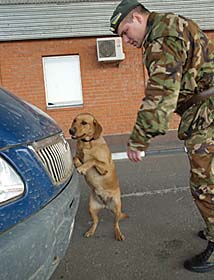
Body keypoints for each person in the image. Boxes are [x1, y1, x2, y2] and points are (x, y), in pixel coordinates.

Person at [110, 0, 214, 273]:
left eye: (125, 31)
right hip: (207, 109)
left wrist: (139, 139)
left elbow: (161, 94)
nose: (125, 40)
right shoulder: (176, 23)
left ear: (137, 17)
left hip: (207, 116)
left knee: (205, 186)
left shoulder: (161, 38)